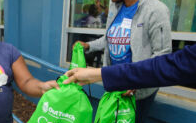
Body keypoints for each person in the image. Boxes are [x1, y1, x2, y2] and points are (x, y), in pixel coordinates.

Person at [64, 43, 196, 90]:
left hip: (138, 84)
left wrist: (99, 74)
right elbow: (107, 39)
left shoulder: (154, 9)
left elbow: (165, 65)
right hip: (119, 81)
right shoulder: (116, 10)